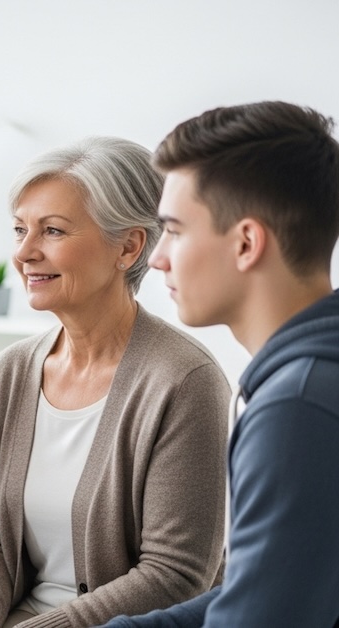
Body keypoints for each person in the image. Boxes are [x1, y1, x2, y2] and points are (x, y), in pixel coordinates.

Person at [0, 137, 232, 628]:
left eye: (52, 231)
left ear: (130, 246)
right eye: (19, 230)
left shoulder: (185, 381)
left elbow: (174, 575)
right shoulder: (8, 374)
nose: (25, 253)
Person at [102, 102, 339, 626]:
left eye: (176, 230)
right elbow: (259, 590)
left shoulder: (297, 408)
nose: (158, 256)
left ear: (247, 242)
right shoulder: (309, 381)